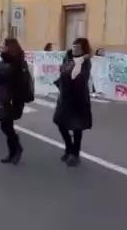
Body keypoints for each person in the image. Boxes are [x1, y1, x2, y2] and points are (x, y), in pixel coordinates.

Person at [53, 38, 93, 167]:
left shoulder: (86, 62)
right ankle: (68, 148)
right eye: (74, 46)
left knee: (77, 128)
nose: (75, 49)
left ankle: (75, 154)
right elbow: (63, 72)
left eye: (78, 47)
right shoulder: (68, 58)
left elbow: (81, 78)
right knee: (61, 124)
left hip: (79, 99)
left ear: (83, 49)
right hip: (65, 97)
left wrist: (78, 63)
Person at [0, 38, 32, 165]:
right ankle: (13, 152)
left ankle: (16, 150)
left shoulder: (16, 63)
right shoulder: (4, 60)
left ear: (8, 47)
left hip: (11, 99)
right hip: (3, 97)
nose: (0, 46)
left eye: (2, 45)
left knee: (6, 125)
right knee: (5, 125)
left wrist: (11, 99)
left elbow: (20, 83)